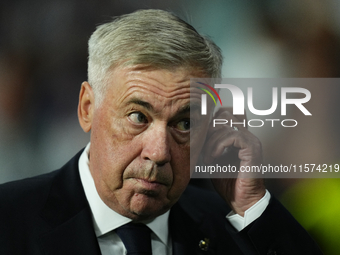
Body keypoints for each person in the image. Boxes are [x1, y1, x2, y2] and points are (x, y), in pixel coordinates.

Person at [0, 9, 322, 255]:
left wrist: (252, 204)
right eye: (138, 116)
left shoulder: (238, 228)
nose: (159, 152)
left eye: (185, 123)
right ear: (87, 108)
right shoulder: (9, 220)